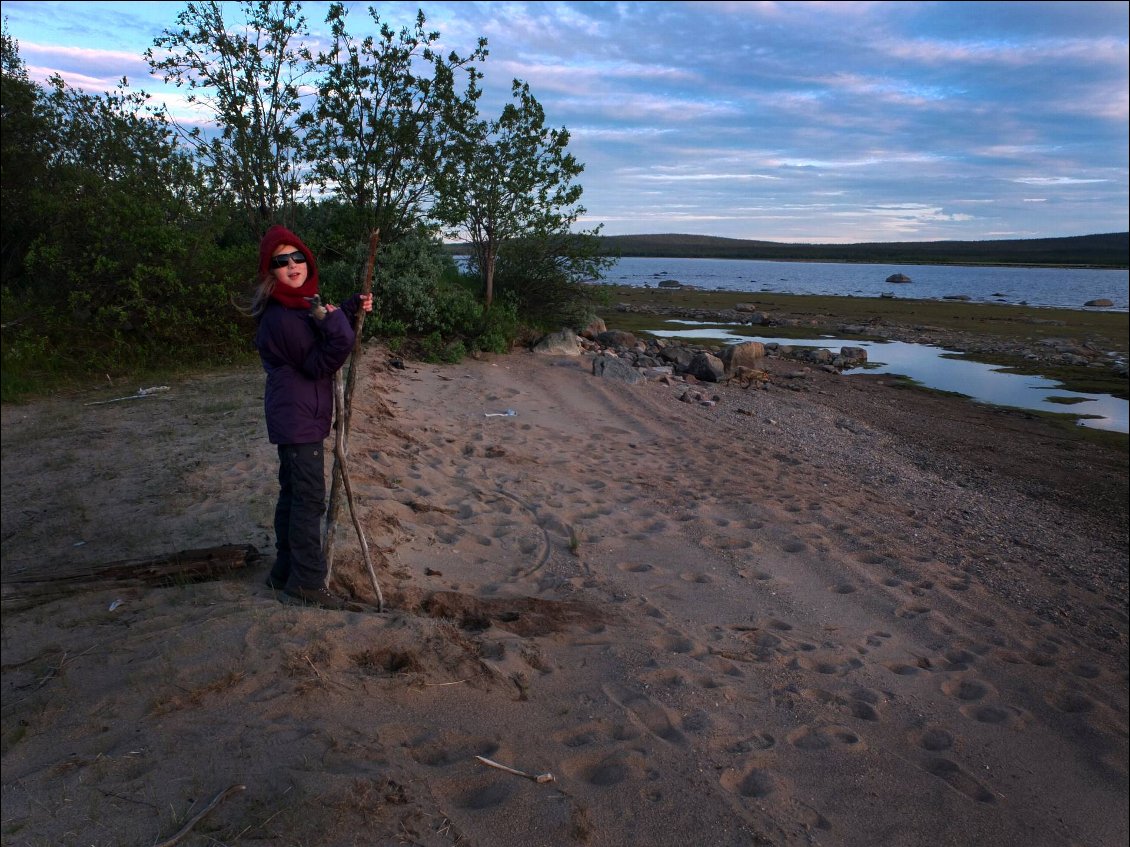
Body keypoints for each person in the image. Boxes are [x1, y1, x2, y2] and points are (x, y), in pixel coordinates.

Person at [251, 224, 372, 610]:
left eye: (298, 257)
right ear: (270, 271)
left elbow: (320, 322)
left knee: (292, 496)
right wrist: (341, 327)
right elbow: (325, 356)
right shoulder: (281, 317)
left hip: (296, 417)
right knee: (308, 501)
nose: (292, 265)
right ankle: (306, 582)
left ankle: (283, 572)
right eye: (281, 261)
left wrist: (349, 307)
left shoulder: (297, 304)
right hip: (298, 419)